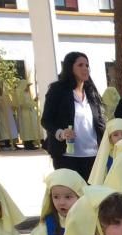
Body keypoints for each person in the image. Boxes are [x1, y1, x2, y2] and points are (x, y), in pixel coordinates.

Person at [41, 52, 106, 181]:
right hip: (66, 156)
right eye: (80, 65)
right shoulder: (57, 90)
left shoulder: (91, 92)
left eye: (87, 65)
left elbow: (99, 121)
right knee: (72, 194)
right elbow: (46, 120)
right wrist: (61, 133)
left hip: (93, 155)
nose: (85, 68)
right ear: (70, 67)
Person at [30, 169, 87, 235]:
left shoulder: (91, 223)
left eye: (68, 197)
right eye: (56, 197)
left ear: (80, 196)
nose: (61, 202)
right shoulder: (45, 228)